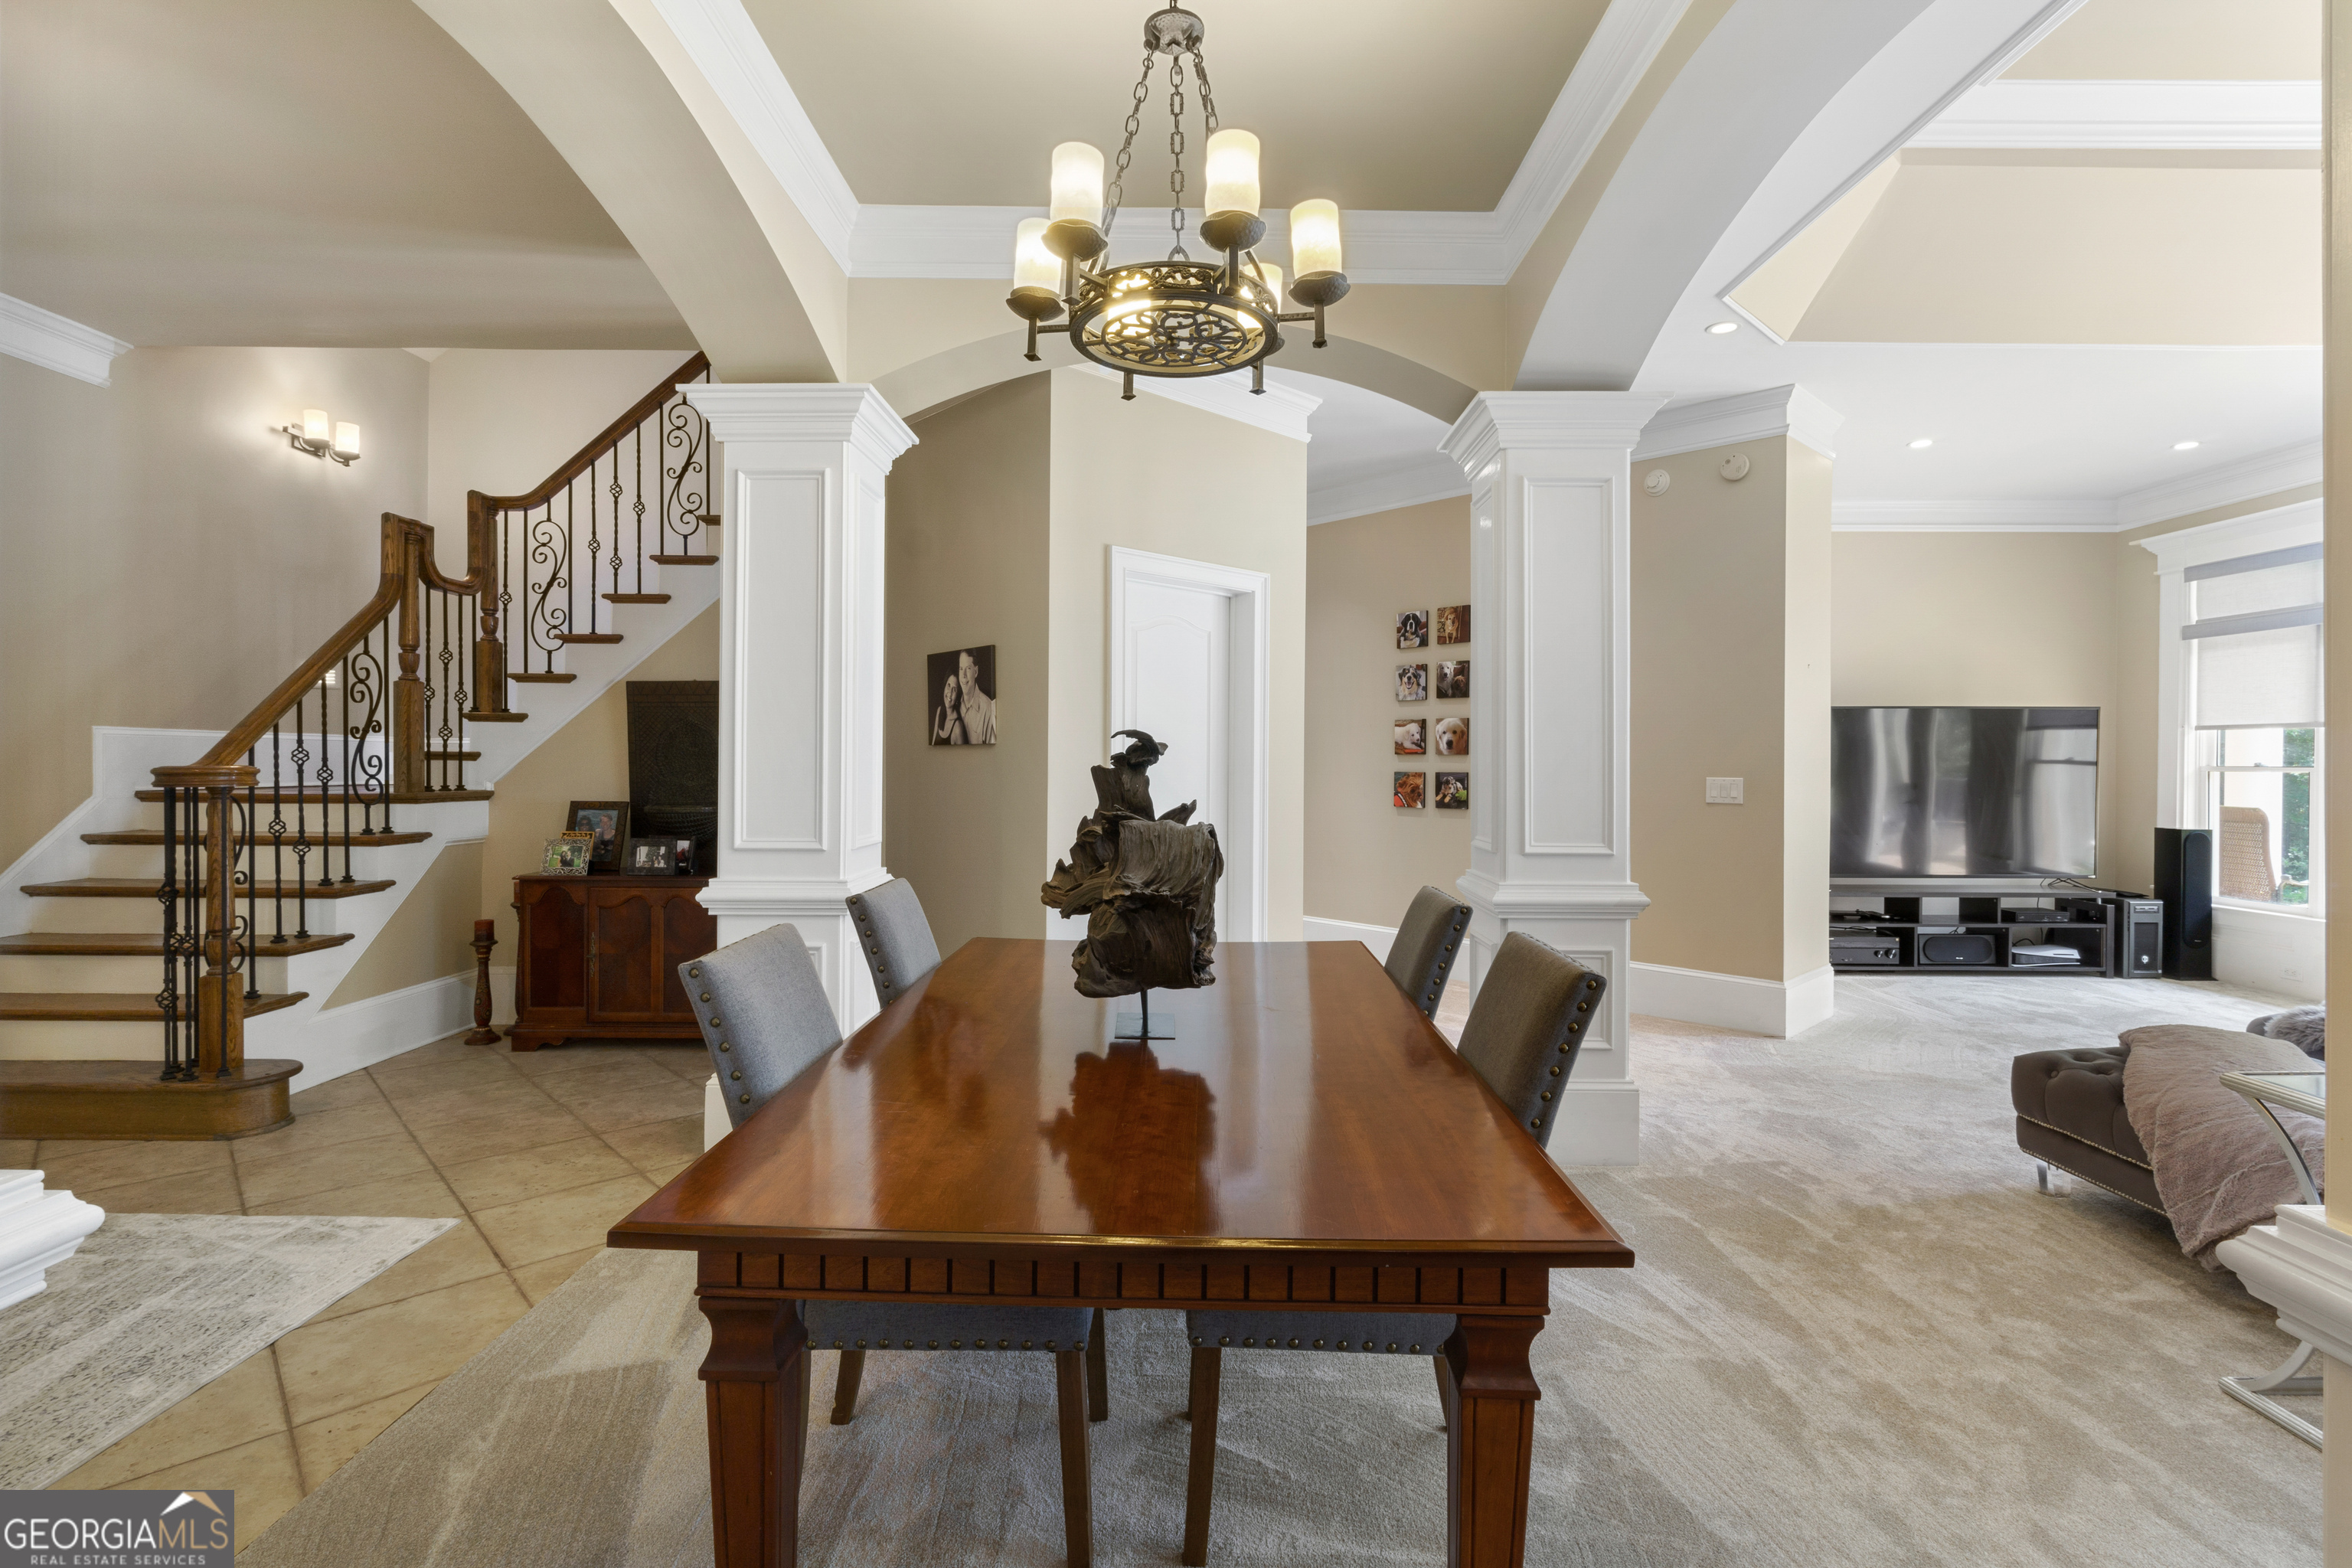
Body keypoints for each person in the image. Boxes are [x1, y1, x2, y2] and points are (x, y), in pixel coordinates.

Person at [954, 647, 996, 745]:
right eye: (961, 669)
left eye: (968, 668)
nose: (963, 675)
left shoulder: (988, 709)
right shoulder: (954, 705)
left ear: (976, 672)